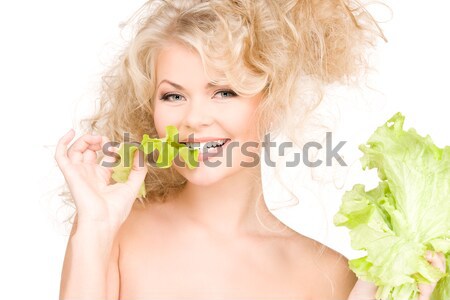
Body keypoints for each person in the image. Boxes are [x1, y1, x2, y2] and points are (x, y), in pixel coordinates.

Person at [55, 0, 446, 299]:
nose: (194, 119)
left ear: (273, 100)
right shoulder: (116, 233)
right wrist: (94, 228)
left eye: (224, 91)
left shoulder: (332, 275)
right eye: (173, 95)